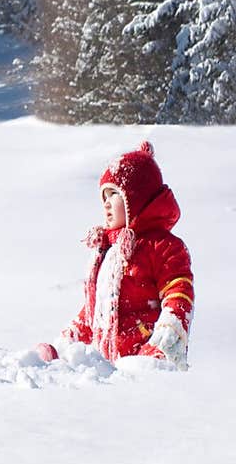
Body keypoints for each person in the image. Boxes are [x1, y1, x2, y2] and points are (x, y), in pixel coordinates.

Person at [34, 141, 194, 370]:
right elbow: (94, 314)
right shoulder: (109, 252)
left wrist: (168, 332)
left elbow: (178, 291)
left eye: (114, 194)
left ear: (136, 198)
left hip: (144, 363)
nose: (106, 203)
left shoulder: (164, 246)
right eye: (104, 196)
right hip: (108, 368)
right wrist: (64, 345)